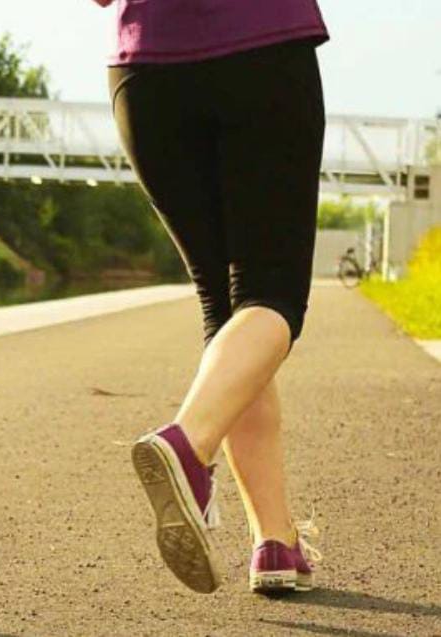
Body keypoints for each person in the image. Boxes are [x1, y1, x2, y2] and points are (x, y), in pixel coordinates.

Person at [91, 0, 329, 594]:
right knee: (270, 297)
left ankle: (274, 540)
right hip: (264, 48)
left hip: (147, 77)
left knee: (227, 309)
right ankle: (187, 446)